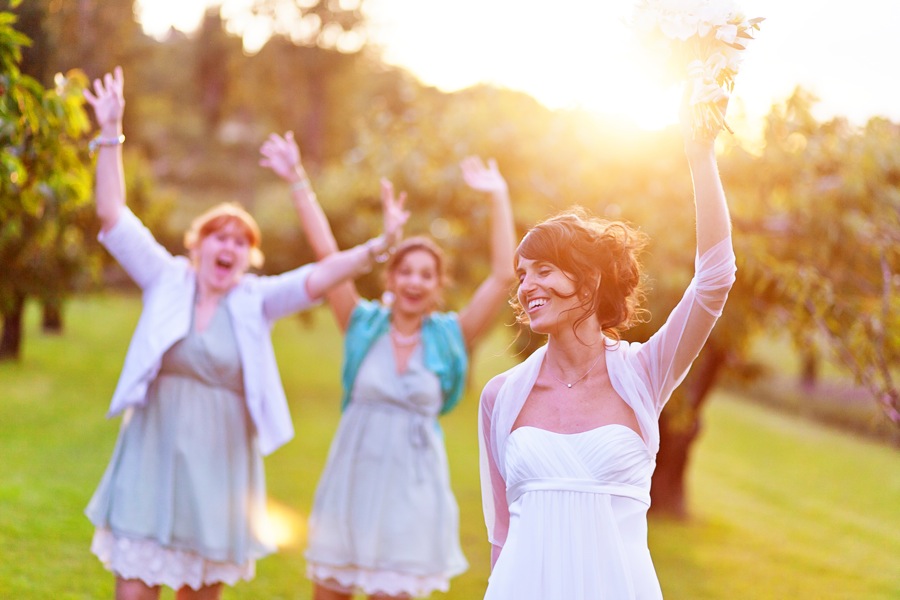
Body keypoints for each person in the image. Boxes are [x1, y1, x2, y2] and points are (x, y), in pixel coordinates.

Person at [82, 68, 406, 600]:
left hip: (220, 467)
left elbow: (322, 275)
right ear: (197, 245)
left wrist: (379, 246)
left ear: (248, 257)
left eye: (241, 240)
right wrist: (112, 131)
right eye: (220, 235)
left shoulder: (258, 299)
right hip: (151, 454)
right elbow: (112, 214)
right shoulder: (165, 277)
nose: (229, 245)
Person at [477, 98, 737, 598]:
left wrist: (700, 152)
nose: (527, 286)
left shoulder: (644, 374)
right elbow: (502, 535)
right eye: (522, 274)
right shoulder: (500, 396)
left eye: (544, 270)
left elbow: (715, 279)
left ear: (590, 280)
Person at [259, 131, 516, 599]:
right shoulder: (360, 323)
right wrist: (297, 177)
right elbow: (328, 255)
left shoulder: (451, 336)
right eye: (406, 271)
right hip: (353, 475)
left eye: (426, 274)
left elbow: (502, 276)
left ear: (438, 286)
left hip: (413, 487)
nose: (415, 282)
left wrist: (498, 196)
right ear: (390, 278)